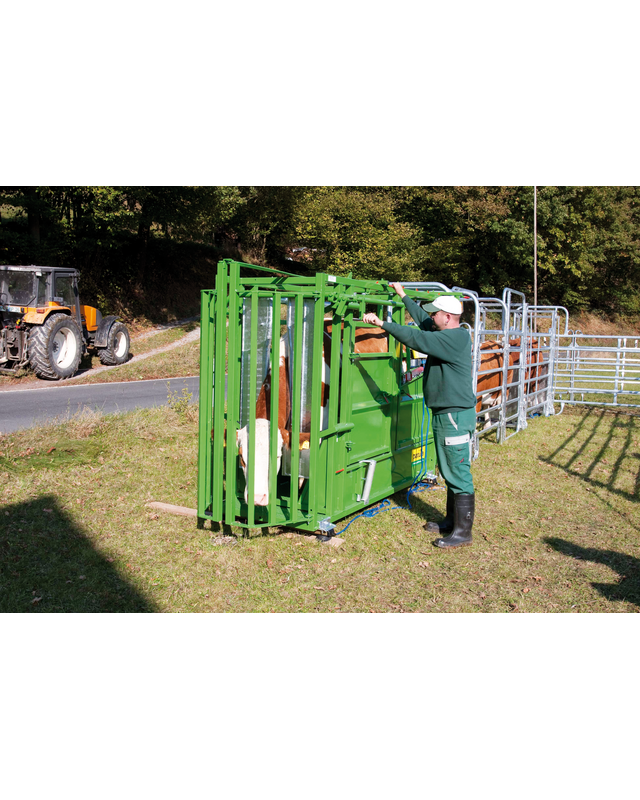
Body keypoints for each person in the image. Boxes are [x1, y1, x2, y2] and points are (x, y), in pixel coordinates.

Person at [363, 283, 477, 549]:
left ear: (447, 317)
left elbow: (417, 338)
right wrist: (403, 295)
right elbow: (424, 323)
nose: (432, 317)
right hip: (447, 414)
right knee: (449, 468)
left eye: (435, 313)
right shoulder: (448, 332)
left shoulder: (454, 338)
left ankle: (463, 532)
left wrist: (383, 323)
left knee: (458, 470)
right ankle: (451, 520)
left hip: (454, 416)